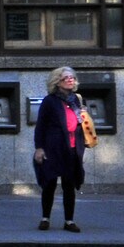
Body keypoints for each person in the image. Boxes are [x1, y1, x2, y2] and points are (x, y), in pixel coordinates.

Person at [33, 65, 87, 232]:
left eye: (72, 78)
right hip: (53, 147)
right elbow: (40, 126)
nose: (71, 80)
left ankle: (69, 221)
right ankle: (45, 218)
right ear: (57, 82)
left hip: (72, 148)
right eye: (66, 78)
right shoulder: (50, 101)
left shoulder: (76, 99)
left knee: (69, 185)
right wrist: (39, 148)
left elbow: (81, 121)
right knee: (49, 183)